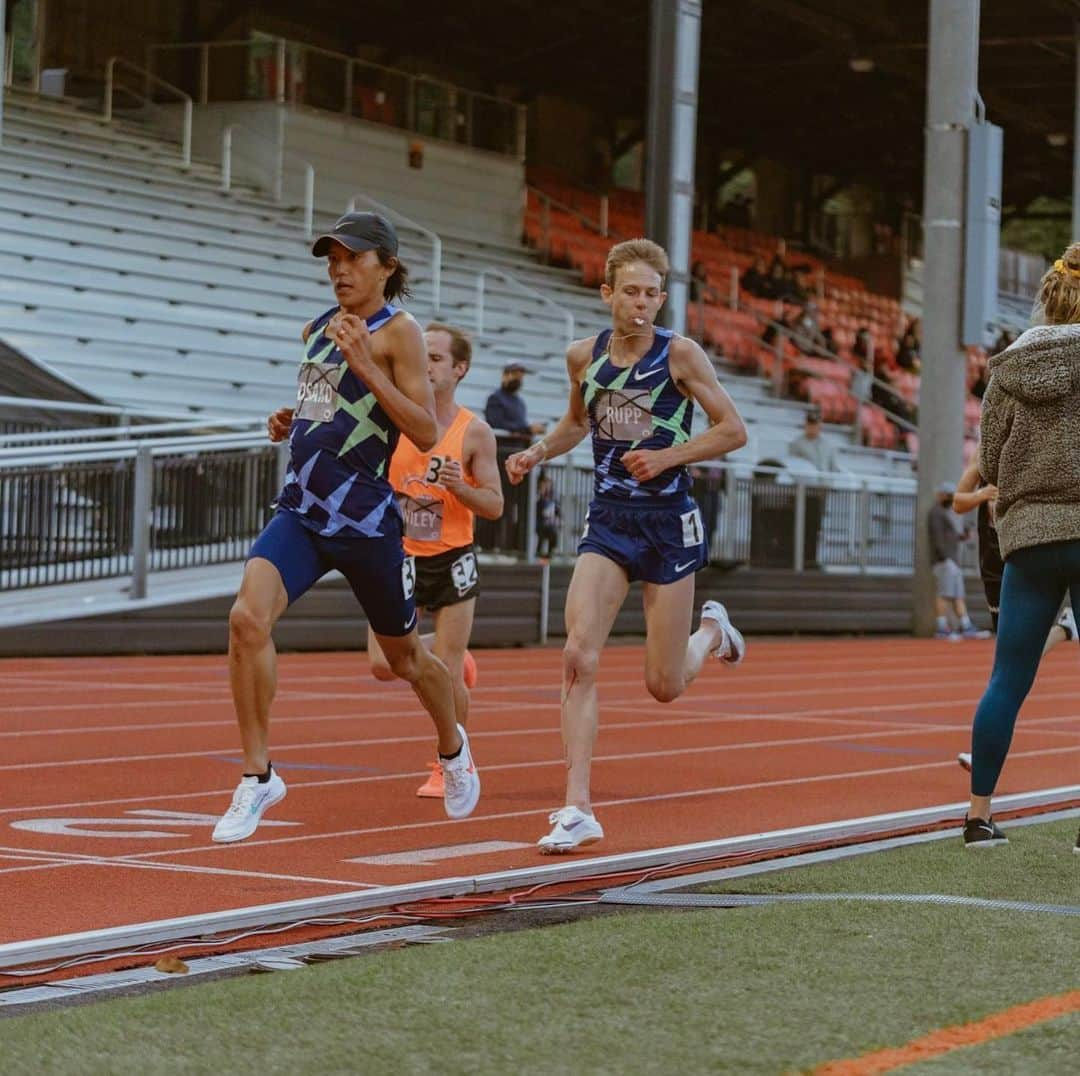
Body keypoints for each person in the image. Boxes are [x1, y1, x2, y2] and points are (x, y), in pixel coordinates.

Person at [211, 211, 480, 843]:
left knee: (407, 658)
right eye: (331, 258)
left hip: (365, 522)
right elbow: (329, 410)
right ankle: (257, 777)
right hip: (301, 509)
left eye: (353, 258)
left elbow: (422, 429)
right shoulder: (314, 330)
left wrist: (367, 366)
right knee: (246, 620)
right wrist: (291, 420)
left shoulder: (400, 332)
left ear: (386, 266)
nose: (338, 269)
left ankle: (453, 749)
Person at [505, 237, 749, 854]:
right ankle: (577, 807)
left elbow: (732, 430)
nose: (642, 304)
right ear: (607, 293)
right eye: (631, 292)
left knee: (663, 685)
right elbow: (575, 424)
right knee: (578, 656)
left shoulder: (681, 355)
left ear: (662, 299)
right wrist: (536, 451)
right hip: (609, 521)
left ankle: (712, 634)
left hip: (669, 522)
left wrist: (669, 455)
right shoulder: (582, 357)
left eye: (652, 294)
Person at [962, 245, 1080, 850]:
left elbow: (986, 463)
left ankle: (978, 816)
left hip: (1028, 532)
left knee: (1007, 679)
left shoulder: (1008, 365)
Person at [367, 322, 503, 798]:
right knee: (384, 664)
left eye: (437, 358)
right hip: (397, 555)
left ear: (460, 369)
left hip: (451, 558)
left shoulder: (474, 433)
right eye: (422, 355)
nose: (425, 364)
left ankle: (448, 765)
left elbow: (494, 504)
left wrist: (457, 485)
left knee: (441, 672)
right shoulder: (394, 421)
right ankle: (451, 652)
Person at [951, 459, 1075, 773]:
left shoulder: (1028, 459)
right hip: (994, 561)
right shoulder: (981, 463)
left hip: (1028, 553)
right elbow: (957, 502)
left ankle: (984, 754)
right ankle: (1065, 629)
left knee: (1009, 667)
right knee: (1011, 661)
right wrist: (984, 495)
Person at [787, 409, 845, 568]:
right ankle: (800, 558)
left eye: (816, 424)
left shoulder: (828, 445)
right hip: (804, 491)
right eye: (810, 424)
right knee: (803, 524)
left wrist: (835, 481)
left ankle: (812, 558)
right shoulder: (797, 444)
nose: (812, 427)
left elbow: (833, 466)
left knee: (816, 526)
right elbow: (793, 467)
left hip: (821, 491)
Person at [927, 482, 979, 640]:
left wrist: (963, 536)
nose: (950, 498)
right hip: (945, 561)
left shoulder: (943, 512)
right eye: (949, 495)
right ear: (941, 495)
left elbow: (949, 537)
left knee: (958, 595)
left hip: (951, 560)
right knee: (945, 594)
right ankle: (942, 627)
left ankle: (965, 625)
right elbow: (938, 538)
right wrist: (945, 558)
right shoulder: (935, 513)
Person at [484, 362, 547, 442]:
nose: (518, 379)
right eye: (515, 375)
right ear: (504, 376)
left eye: (520, 376)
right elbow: (496, 424)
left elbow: (521, 423)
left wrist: (532, 429)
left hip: (518, 446)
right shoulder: (495, 398)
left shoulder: (520, 402)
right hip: (502, 446)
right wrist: (527, 429)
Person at [535, 473, 561, 559]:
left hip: (550, 524)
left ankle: (550, 552)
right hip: (541, 523)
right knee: (542, 532)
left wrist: (559, 518)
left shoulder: (553, 499)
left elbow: (558, 511)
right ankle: (539, 552)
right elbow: (537, 509)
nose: (547, 487)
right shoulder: (539, 497)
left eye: (548, 485)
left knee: (553, 533)